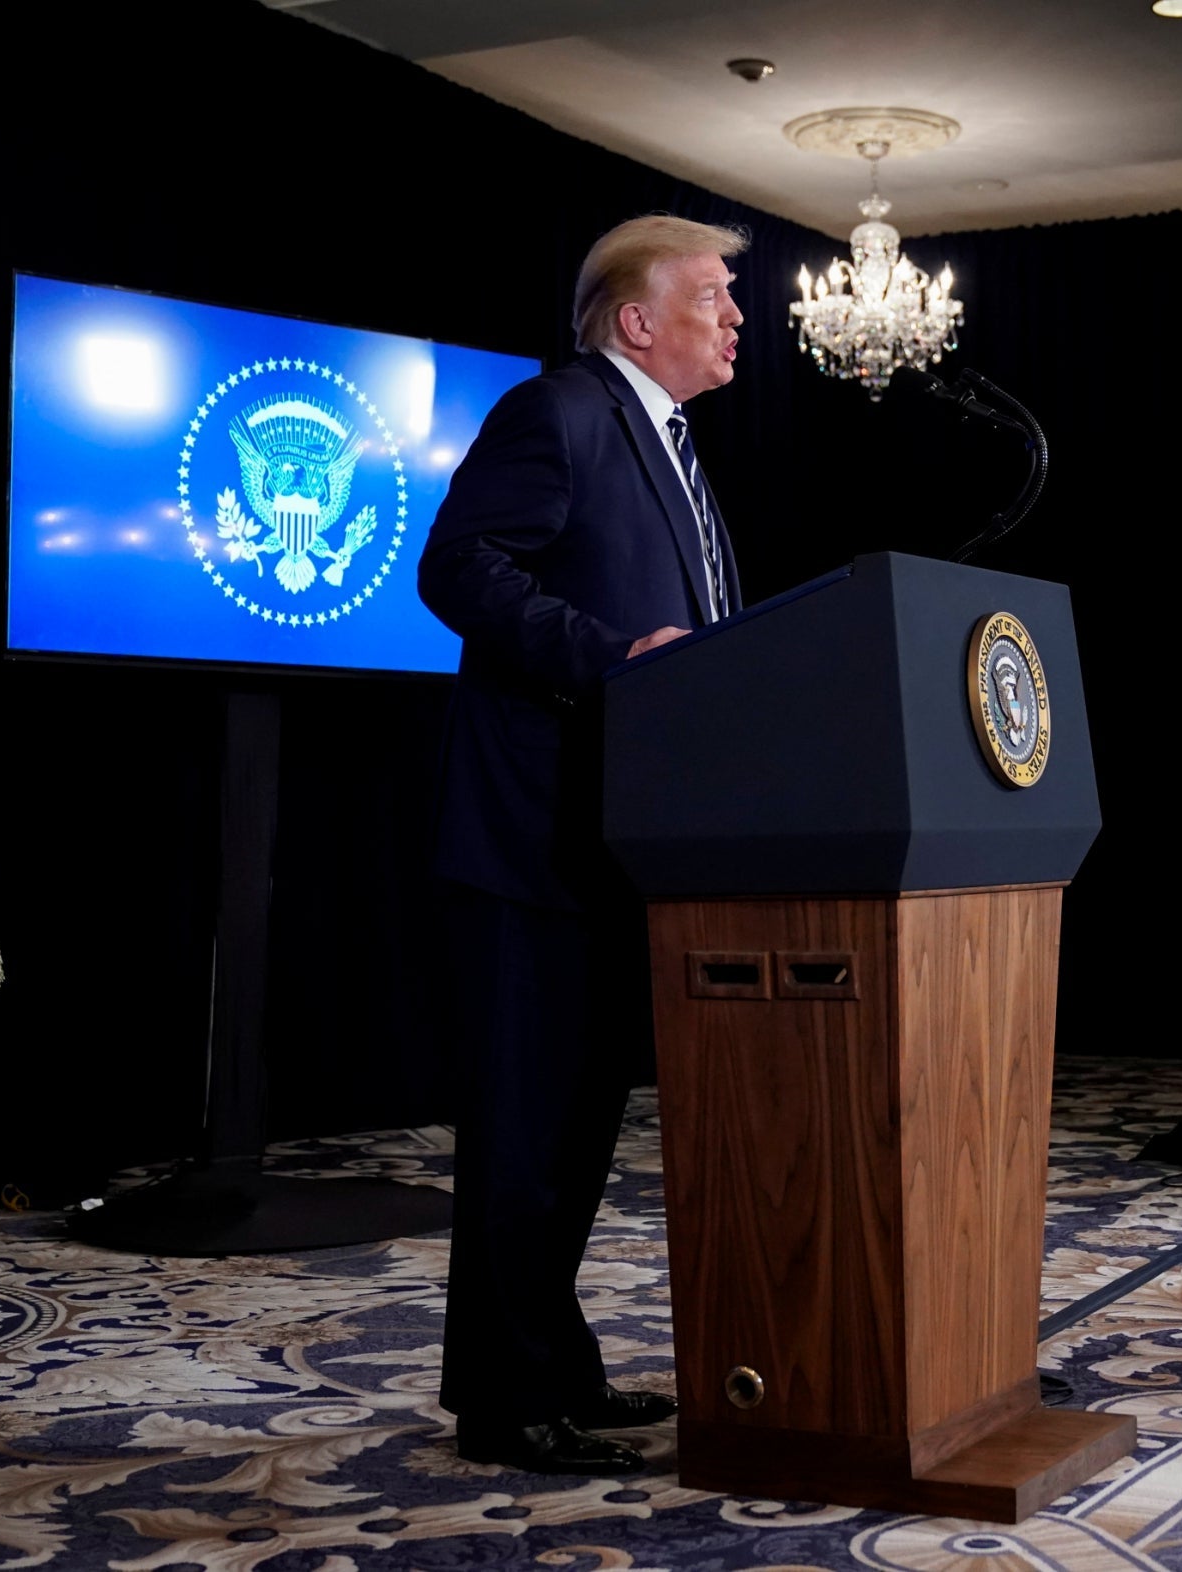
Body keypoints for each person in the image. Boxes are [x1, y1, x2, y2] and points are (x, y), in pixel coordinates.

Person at [416, 215, 748, 1475]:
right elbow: (455, 567)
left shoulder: (671, 445)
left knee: (575, 1140)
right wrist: (607, 658)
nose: (731, 317)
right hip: (530, 838)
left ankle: (557, 1369)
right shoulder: (556, 412)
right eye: (711, 296)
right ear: (635, 320)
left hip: (623, 843)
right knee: (524, 1135)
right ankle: (504, 1403)